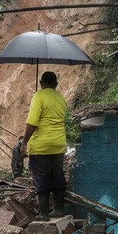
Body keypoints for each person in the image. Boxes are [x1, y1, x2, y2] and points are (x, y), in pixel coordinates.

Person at [21, 71, 67, 221]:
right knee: (57, 176)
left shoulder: (38, 96)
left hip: (41, 146)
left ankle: (44, 213)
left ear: (41, 83)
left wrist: (24, 143)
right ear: (56, 84)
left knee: (41, 178)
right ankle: (59, 209)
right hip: (59, 145)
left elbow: (32, 122)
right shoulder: (61, 98)